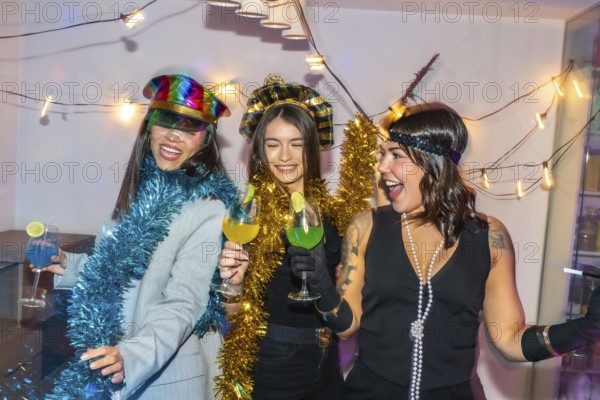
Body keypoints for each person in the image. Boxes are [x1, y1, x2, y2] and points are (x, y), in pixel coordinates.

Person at [287, 104, 600, 399]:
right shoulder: (366, 228)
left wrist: (585, 329)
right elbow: (346, 327)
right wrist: (321, 285)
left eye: (395, 155)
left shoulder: (490, 237)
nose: (381, 167)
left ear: (431, 162)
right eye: (383, 155)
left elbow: (510, 340)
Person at [39, 74, 237, 399]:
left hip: (167, 380)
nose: (173, 137)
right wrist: (67, 265)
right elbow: (119, 270)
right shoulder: (143, 191)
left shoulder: (209, 207)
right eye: (165, 123)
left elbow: (183, 304)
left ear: (205, 140)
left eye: (189, 129)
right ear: (149, 127)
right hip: (110, 361)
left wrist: (131, 356)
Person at [214, 75, 374, 400]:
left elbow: (346, 316)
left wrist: (325, 282)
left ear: (311, 148)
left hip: (328, 358)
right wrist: (232, 284)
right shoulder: (248, 214)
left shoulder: (332, 215)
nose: (284, 156)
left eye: (297, 143)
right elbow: (230, 319)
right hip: (274, 360)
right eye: (273, 144)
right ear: (260, 150)